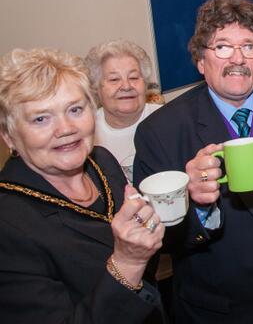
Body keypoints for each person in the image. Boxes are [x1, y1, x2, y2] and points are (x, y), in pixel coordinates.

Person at [133, 0, 253, 324]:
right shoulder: (162, 131)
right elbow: (156, 239)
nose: (238, 58)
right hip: (228, 311)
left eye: (249, 47)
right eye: (222, 46)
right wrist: (192, 202)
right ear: (200, 60)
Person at [0, 48, 165, 323]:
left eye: (75, 109)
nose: (66, 128)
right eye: (41, 118)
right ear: (9, 136)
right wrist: (127, 264)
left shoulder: (103, 164)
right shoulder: (8, 224)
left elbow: (146, 252)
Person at [85, 39, 161, 182]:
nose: (126, 86)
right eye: (114, 79)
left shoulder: (169, 120)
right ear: (96, 88)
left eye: (133, 77)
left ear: (145, 84)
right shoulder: (85, 132)